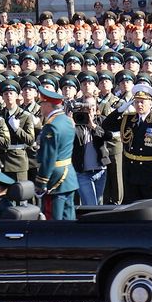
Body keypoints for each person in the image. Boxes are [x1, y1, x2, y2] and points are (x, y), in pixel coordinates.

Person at [102, 83, 152, 204]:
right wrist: (120, 110)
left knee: (149, 204)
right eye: (136, 101)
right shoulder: (128, 119)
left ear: (150, 104)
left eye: (142, 102)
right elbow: (106, 125)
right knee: (131, 204)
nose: (139, 105)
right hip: (131, 169)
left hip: (150, 170)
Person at [34, 88, 79, 220]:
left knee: (53, 220)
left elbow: (49, 157)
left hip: (55, 177)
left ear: (47, 105)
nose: (40, 107)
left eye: (41, 104)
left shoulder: (51, 126)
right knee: (68, 218)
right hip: (68, 175)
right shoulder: (66, 120)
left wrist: (42, 182)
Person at [72, 95, 109, 205]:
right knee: (90, 205)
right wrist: (70, 123)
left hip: (101, 169)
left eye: (92, 106)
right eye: (86, 107)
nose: (90, 110)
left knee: (99, 205)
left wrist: (93, 126)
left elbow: (108, 136)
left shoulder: (101, 120)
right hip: (83, 172)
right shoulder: (76, 122)